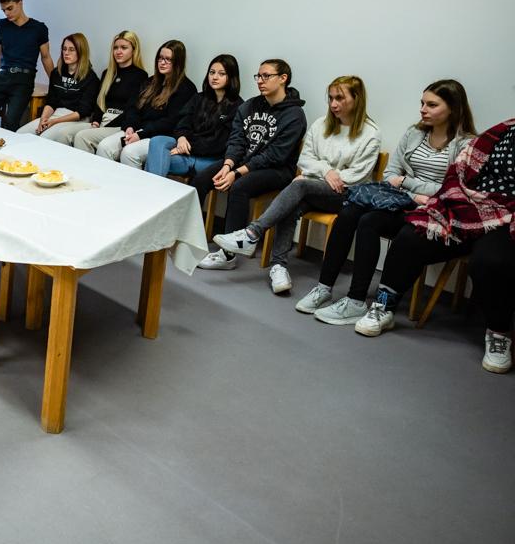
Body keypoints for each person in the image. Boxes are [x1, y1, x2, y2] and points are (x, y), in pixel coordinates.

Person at [296, 80, 477, 322]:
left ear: (453, 108)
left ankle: (358, 300)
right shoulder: (414, 133)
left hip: (435, 211)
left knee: (369, 221)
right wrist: (413, 192)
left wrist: (406, 182)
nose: (423, 109)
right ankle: (325, 289)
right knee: (349, 213)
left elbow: (453, 189)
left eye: (432, 105)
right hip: (404, 201)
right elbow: (390, 174)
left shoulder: (467, 145)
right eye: (422, 103)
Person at [352, 119, 515, 375]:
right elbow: (460, 172)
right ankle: (384, 305)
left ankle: (499, 332)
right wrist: (459, 196)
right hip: (467, 205)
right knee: (411, 235)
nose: (423, 109)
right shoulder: (502, 131)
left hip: (507, 217)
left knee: (491, 262)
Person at [212, 76, 381, 294]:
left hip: (347, 195)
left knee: (299, 186)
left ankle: (252, 234)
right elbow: (305, 159)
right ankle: (279, 267)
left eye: (340, 98)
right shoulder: (321, 125)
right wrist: (326, 171)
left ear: (356, 99)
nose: (333, 104)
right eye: (330, 98)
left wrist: (317, 177)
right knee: (291, 204)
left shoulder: (370, 133)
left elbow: (357, 175)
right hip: (315, 189)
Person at [193, 59, 307, 272]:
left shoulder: (295, 115)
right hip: (242, 162)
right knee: (201, 179)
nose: (260, 81)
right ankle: (190, 236)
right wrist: (227, 165)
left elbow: (275, 155)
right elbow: (237, 140)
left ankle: (228, 256)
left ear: (283, 79)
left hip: (277, 170)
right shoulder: (249, 106)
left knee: (239, 187)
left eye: (267, 76)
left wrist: (236, 173)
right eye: (258, 76)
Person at [93, 40, 197, 166]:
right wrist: (130, 126)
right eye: (160, 58)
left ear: (178, 62)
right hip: (137, 130)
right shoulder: (150, 82)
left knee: (129, 153)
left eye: (168, 59)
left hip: (160, 136)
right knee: (104, 147)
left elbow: (171, 122)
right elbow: (133, 107)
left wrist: (141, 134)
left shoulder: (186, 88)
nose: (162, 62)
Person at [145, 55, 242, 180]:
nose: (215, 77)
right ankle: (154, 189)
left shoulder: (238, 106)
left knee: (153, 163)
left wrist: (186, 146)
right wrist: (181, 138)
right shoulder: (199, 98)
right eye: (212, 72)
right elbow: (182, 123)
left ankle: (152, 190)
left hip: (209, 162)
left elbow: (218, 144)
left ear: (231, 77)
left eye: (221, 74)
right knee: (157, 142)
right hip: (186, 157)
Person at [0, 0, 53, 131]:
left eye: (10, 8)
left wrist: (54, 81)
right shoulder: (2, 25)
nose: (7, 13)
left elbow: (46, 57)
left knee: (11, 122)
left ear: (20, 3)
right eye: (4, 10)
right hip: (2, 76)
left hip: (23, 80)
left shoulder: (39, 28)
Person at [70, 30, 148, 153]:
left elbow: (133, 108)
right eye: (115, 48)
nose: (118, 51)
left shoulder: (140, 75)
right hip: (103, 121)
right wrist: (96, 122)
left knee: (82, 136)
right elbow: (100, 101)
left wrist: (105, 126)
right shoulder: (107, 73)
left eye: (124, 48)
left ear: (133, 50)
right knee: (68, 133)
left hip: (120, 124)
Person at [15, 33, 101, 144]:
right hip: (56, 114)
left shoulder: (91, 78)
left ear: (81, 52)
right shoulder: (56, 73)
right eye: (64, 49)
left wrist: (55, 121)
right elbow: (51, 102)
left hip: (76, 119)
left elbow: (83, 111)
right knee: (20, 134)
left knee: (44, 138)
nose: (66, 53)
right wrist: (43, 119)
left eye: (71, 50)